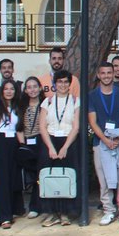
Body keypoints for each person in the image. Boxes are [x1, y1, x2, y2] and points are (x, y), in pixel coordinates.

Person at [88, 62, 119, 227]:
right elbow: (93, 122)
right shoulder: (92, 96)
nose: (106, 76)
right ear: (99, 75)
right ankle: (108, 210)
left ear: (114, 74)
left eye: (109, 73)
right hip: (101, 142)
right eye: (103, 73)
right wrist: (106, 140)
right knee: (104, 179)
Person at [37, 70, 81, 227]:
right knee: (50, 178)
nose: (62, 85)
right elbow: (42, 126)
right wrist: (51, 147)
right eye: (59, 82)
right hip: (50, 141)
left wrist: (65, 147)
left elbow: (75, 127)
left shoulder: (75, 101)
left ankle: (65, 213)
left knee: (66, 177)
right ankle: (51, 213)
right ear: (54, 84)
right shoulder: (47, 102)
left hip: (69, 141)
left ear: (70, 84)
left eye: (65, 82)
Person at [0, 79, 24, 229]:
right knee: (1, 180)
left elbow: (19, 128)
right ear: (2, 91)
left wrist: (23, 146)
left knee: (12, 178)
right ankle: (3, 216)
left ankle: (13, 210)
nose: (9, 91)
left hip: (13, 142)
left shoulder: (16, 107)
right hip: (0, 141)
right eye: (6, 89)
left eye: (12, 89)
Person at [18, 76, 44, 218]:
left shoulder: (46, 104)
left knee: (40, 175)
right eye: (29, 87)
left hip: (41, 140)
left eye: (35, 86)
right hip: (27, 142)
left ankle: (36, 206)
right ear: (26, 90)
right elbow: (19, 127)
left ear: (40, 88)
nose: (32, 89)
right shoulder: (22, 106)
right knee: (30, 176)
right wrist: (22, 144)